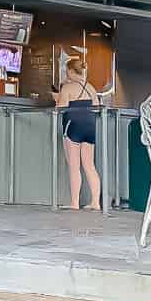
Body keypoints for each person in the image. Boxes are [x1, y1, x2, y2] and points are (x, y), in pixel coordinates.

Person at [54, 56, 101, 213]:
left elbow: (61, 107)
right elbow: (96, 108)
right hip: (90, 128)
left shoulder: (68, 88)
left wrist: (57, 97)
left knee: (74, 166)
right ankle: (96, 202)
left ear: (70, 71)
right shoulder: (92, 88)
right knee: (89, 166)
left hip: (73, 127)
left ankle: (75, 202)